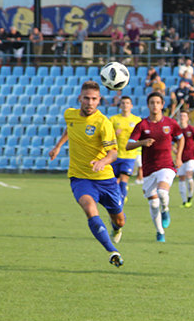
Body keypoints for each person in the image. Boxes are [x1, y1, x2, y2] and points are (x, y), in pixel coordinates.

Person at [47, 82, 125, 267]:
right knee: (89, 208)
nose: (90, 102)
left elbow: (113, 153)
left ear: (99, 101)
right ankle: (112, 250)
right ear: (79, 99)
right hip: (80, 177)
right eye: (87, 98)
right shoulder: (70, 114)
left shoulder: (103, 123)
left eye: (94, 99)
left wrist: (102, 162)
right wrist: (58, 146)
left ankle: (115, 227)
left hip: (105, 179)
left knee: (120, 220)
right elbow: (71, 127)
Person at [126, 92, 184, 242]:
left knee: (162, 193)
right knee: (153, 203)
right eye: (152, 102)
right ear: (148, 105)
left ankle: (165, 210)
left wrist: (178, 157)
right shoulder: (142, 125)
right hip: (148, 169)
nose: (155, 105)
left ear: (162, 105)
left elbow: (181, 138)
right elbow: (128, 145)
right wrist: (142, 143)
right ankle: (160, 232)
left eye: (158, 102)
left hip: (166, 165)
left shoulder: (170, 123)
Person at [110, 96, 142, 203]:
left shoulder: (136, 120)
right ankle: (121, 195)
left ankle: (120, 205)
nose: (125, 105)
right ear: (120, 105)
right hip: (115, 155)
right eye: (123, 103)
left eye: (127, 103)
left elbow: (141, 136)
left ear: (131, 106)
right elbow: (107, 137)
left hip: (129, 155)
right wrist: (114, 134)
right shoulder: (114, 119)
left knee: (124, 180)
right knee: (114, 182)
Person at [176, 110, 194, 207]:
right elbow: (170, 143)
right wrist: (176, 151)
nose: (182, 117)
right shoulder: (177, 130)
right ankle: (184, 201)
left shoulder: (191, 129)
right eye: (181, 115)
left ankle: (190, 197)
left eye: (184, 116)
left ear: (187, 118)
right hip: (181, 159)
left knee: (188, 175)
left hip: (191, 157)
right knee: (181, 178)